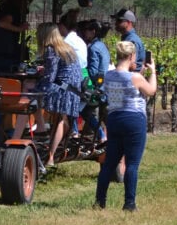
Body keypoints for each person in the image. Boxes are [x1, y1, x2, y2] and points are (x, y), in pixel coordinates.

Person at [95, 40, 156, 211]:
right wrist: (153, 72)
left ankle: (100, 201)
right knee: (132, 164)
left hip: (114, 119)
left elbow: (121, 84)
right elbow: (151, 90)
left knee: (109, 163)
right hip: (134, 120)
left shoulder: (108, 75)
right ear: (130, 56)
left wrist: (140, 73)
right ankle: (129, 203)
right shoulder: (135, 78)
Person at [33, 22, 84, 167]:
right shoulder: (66, 48)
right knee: (61, 119)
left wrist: (38, 86)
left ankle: (48, 150)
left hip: (62, 89)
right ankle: (51, 149)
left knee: (31, 96)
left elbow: (50, 77)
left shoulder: (51, 49)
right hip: (73, 90)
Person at [79, 19, 110, 146]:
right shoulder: (102, 46)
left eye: (86, 30)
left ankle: (101, 135)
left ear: (93, 31)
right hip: (103, 85)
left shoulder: (92, 48)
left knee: (83, 111)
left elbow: (93, 70)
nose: (84, 33)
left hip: (95, 86)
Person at [0, 0, 30, 72]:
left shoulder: (2, 8)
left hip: (0, 54)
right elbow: (2, 23)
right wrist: (20, 29)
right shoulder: (10, 9)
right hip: (5, 55)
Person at [112, 7, 145, 72]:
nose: (116, 23)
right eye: (116, 20)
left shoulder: (132, 40)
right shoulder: (127, 38)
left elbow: (132, 66)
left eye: (119, 21)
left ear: (129, 22)